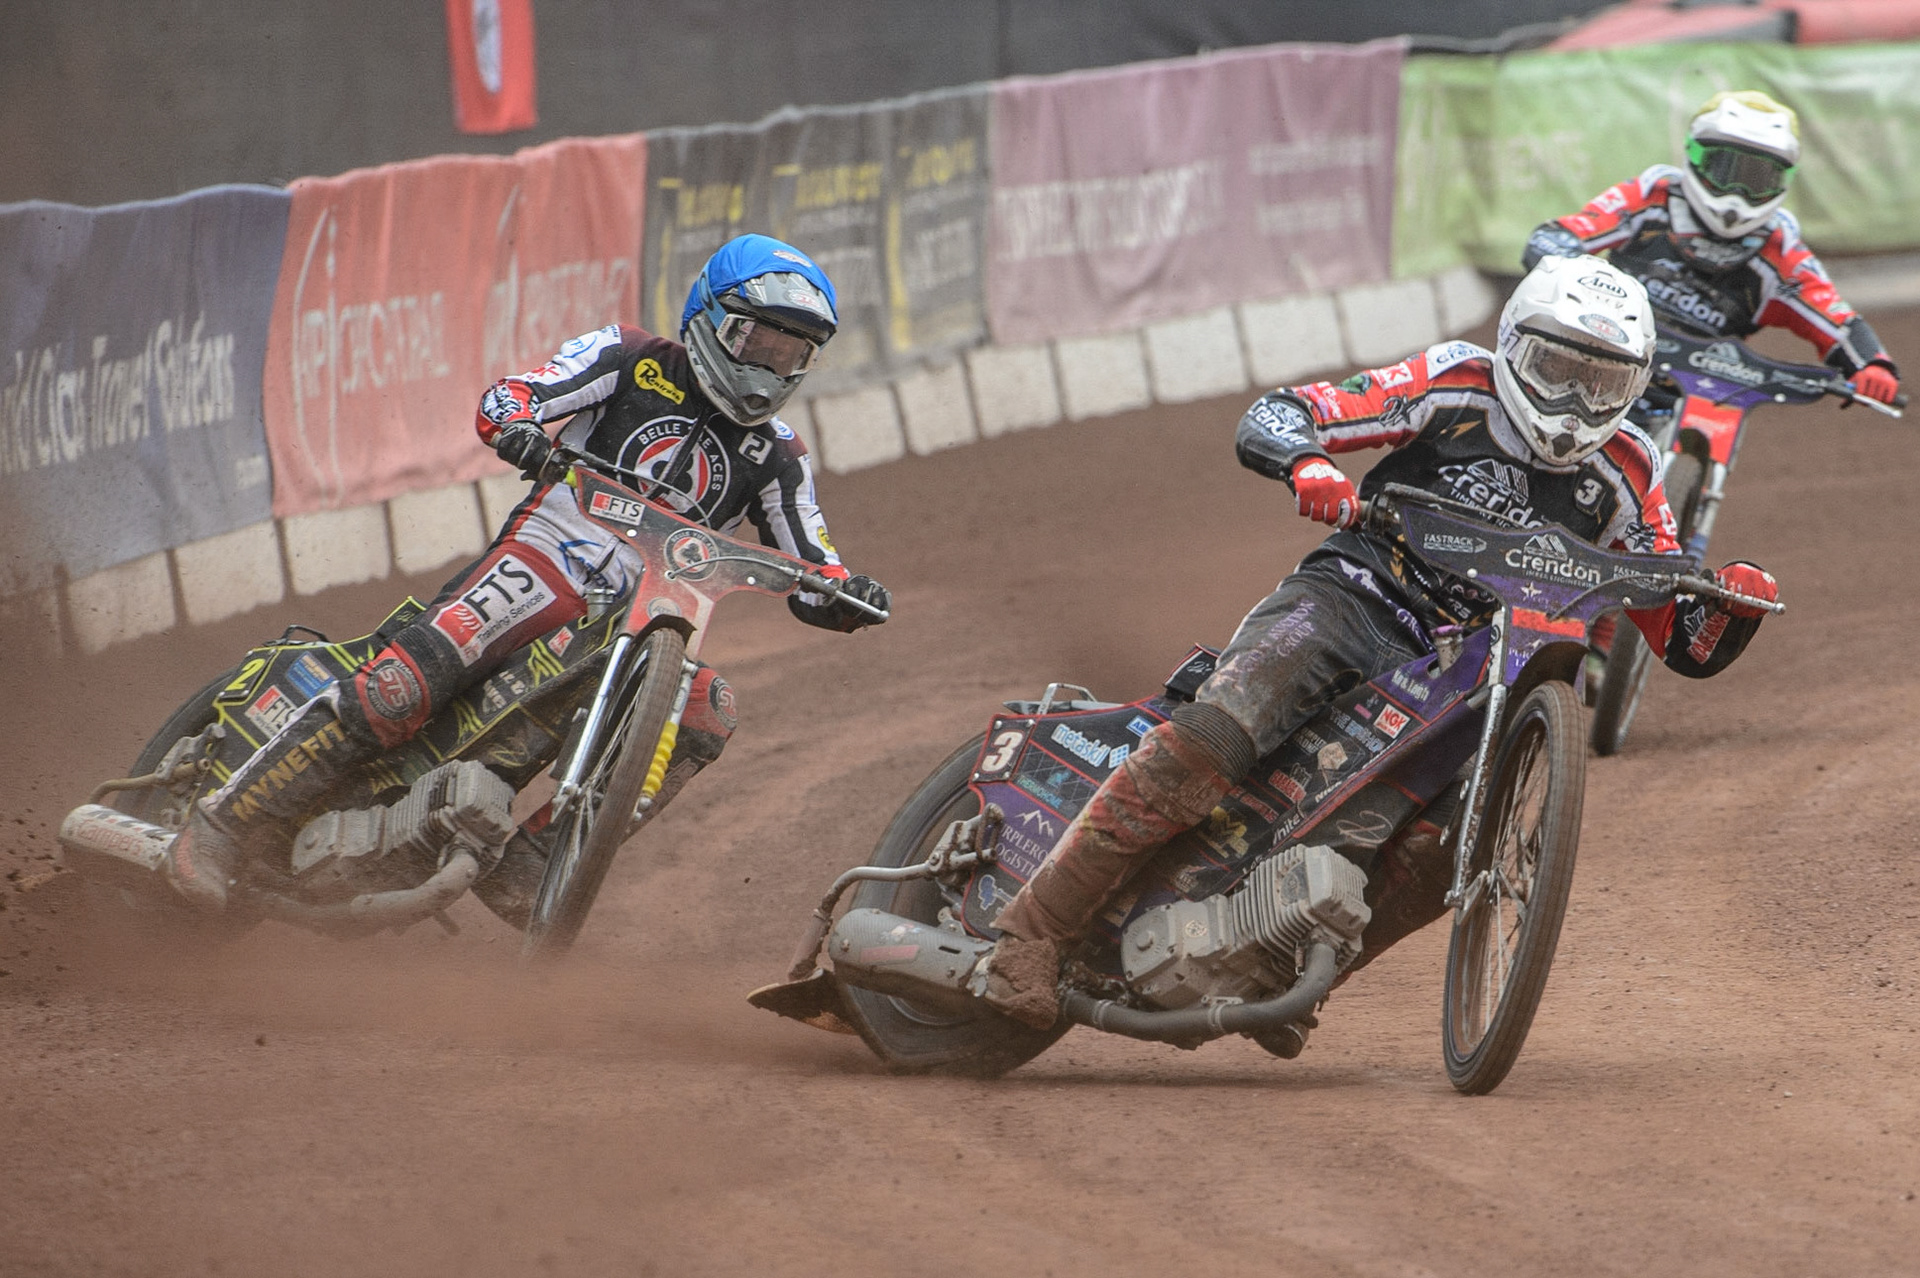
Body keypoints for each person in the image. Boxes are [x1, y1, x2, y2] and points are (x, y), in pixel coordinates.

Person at [979, 255, 1780, 1030]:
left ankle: (1291, 974)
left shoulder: (1631, 467)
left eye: (1601, 382)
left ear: (1634, 388)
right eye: (1557, 368)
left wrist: (1731, 603)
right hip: (1356, 596)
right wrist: (1307, 465)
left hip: (1472, 669)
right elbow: (1286, 412)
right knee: (1217, 733)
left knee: (1452, 846)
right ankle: (1031, 935)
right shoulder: (1454, 383)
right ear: (1511, 346)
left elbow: (1679, 635)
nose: (1573, 401)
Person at [164, 234, 891, 922]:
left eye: (791, 353)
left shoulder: (778, 454)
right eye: (757, 343)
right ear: (711, 319)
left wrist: (847, 594)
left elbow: (813, 562)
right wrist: (517, 426)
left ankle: (537, 863)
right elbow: (516, 395)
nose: (769, 366)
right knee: (404, 686)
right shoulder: (629, 355)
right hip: (549, 558)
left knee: (707, 706)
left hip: (646, 619)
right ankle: (227, 820)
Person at [1522, 89, 1899, 407]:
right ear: (1695, 155)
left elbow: (1836, 318)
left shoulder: (1780, 249)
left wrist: (1874, 365)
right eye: (1726, 171)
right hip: (1602, 355)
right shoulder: (1652, 197)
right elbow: (1577, 229)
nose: (1738, 194)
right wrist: (1555, 248)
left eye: (1756, 178)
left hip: (1695, 390)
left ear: (1782, 180)